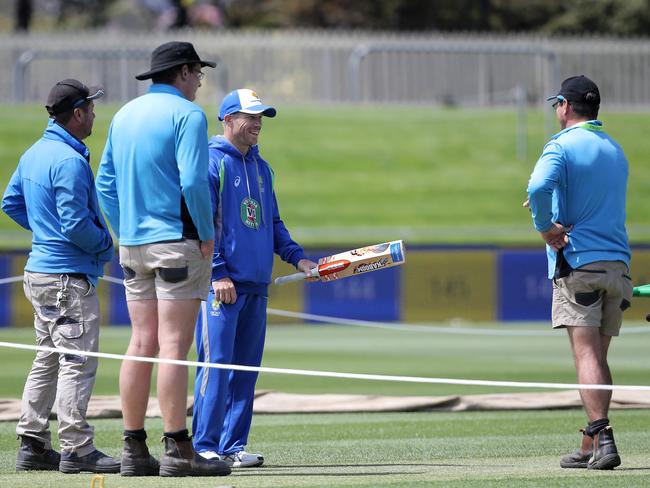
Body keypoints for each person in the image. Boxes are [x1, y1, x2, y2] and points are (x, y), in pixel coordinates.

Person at [95, 41, 230, 478]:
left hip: (133, 245)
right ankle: (177, 449)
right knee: (174, 346)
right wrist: (208, 233)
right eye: (198, 75)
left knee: (140, 343)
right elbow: (193, 180)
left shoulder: (124, 114)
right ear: (185, 72)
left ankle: (134, 448)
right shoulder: (188, 115)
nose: (199, 84)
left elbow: (105, 185)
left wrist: (124, 230)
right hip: (178, 241)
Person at [192, 88, 317, 467]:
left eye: (262, 117)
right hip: (222, 286)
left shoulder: (263, 169)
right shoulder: (211, 163)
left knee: (245, 370)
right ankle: (203, 446)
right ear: (228, 119)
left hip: (256, 285)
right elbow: (202, 224)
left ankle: (232, 446)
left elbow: (273, 223)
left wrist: (298, 259)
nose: (258, 124)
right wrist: (217, 273)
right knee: (216, 367)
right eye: (251, 117)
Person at [2, 79, 119, 474]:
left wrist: (43, 230)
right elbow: (74, 225)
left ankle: (33, 441)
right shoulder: (69, 160)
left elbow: (11, 203)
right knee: (77, 360)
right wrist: (105, 246)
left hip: (39, 271)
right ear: (79, 113)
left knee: (48, 357)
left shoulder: (35, 152)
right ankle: (77, 447)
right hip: (67, 276)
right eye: (92, 108)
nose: (95, 115)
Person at [526, 75, 632, 470]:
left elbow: (538, 185)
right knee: (599, 358)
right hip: (618, 266)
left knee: (585, 355)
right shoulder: (615, 149)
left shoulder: (561, 145)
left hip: (579, 263)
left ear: (565, 106)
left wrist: (545, 227)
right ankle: (589, 443)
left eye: (557, 104)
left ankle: (604, 438)